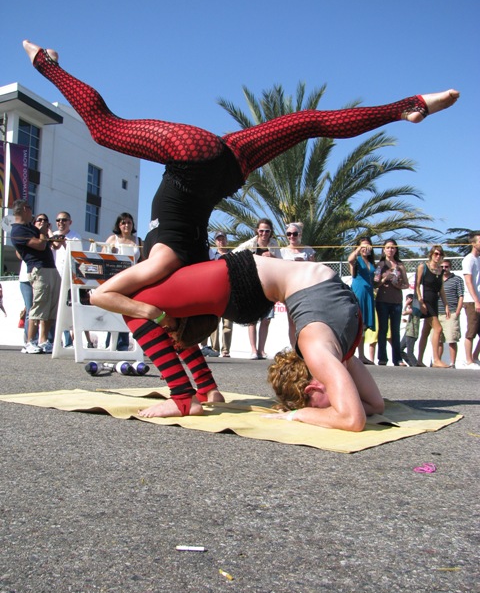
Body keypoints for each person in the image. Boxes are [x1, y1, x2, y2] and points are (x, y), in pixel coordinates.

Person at [23, 40, 459, 400]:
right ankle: (408, 106)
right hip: (208, 159)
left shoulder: (166, 266)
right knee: (107, 129)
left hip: (219, 165)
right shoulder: (171, 264)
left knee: (308, 124)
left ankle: (410, 106)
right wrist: (162, 320)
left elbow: (105, 297)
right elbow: (123, 304)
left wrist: (155, 316)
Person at [120, 253, 385, 431]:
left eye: (323, 405)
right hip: (276, 279)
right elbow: (372, 406)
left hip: (256, 277)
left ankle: (186, 395)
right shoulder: (329, 354)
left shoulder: (320, 353)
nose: (335, 403)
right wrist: (324, 411)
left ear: (312, 389)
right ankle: (197, 389)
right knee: (153, 304)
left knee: (144, 301)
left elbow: (350, 417)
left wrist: (297, 414)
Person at [10, 200, 61, 354]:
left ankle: (44, 341)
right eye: (31, 209)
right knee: (39, 305)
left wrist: (46, 234)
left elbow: (49, 244)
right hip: (39, 270)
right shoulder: (18, 230)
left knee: (51, 306)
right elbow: (39, 244)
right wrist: (43, 232)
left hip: (51, 268)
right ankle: (30, 342)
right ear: (25, 209)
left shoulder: (30, 228)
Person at [234, 219, 281, 359]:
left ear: (271, 232)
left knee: (266, 319)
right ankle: (253, 350)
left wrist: (272, 256)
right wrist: (250, 259)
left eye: (267, 231)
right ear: (257, 231)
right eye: (261, 231)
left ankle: (262, 349)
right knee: (252, 319)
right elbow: (235, 253)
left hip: (269, 285)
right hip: (253, 284)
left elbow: (282, 262)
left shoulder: (274, 245)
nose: (264, 233)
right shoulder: (250, 244)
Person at [103, 212, 143, 351]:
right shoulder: (112, 239)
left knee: (127, 310)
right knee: (114, 310)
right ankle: (111, 343)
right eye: (123, 223)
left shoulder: (139, 241)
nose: (126, 225)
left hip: (133, 280)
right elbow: (103, 257)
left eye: (129, 222)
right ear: (119, 226)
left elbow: (143, 261)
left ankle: (123, 344)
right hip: (115, 279)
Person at [50, 210, 88, 348]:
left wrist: (64, 243)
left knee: (68, 310)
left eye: (64, 220)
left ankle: (69, 341)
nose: (61, 222)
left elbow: (76, 255)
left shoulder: (75, 236)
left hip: (69, 279)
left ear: (70, 222)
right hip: (55, 276)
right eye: (58, 220)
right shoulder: (52, 235)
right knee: (54, 309)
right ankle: (53, 340)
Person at [374, 239, 409, 366]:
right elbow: (375, 283)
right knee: (383, 329)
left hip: (396, 301)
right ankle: (382, 358)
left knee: (395, 330)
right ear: (384, 249)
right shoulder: (380, 265)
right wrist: (384, 279)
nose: (390, 250)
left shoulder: (400, 265)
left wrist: (398, 284)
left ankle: (397, 359)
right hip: (382, 300)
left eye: (393, 247)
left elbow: (406, 284)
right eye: (388, 247)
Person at [415, 245, 451, 368]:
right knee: (438, 329)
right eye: (436, 254)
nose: (438, 256)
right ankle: (436, 359)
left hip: (435, 301)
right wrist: (420, 301)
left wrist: (446, 305)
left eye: (440, 254)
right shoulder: (423, 267)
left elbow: (441, 289)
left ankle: (419, 360)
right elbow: (417, 285)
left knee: (426, 331)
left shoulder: (440, 271)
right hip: (426, 301)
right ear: (431, 254)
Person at [280, 222, 315, 347]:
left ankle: (306, 347)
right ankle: (295, 349)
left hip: (306, 288)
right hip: (290, 289)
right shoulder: (282, 251)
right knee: (292, 321)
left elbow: (314, 269)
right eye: (289, 234)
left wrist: (304, 264)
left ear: (299, 234)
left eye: (294, 234)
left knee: (307, 321)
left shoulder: (308, 250)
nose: (291, 236)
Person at [205, 231, 234, 357]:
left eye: (223, 239)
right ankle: (215, 349)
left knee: (228, 323)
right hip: (216, 291)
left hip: (230, 292)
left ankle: (226, 349)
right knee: (215, 322)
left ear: (226, 240)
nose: (221, 241)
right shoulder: (213, 255)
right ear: (215, 241)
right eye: (218, 239)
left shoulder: (232, 255)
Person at [348, 236, 376, 364]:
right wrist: (359, 249)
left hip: (369, 293)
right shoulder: (357, 259)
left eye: (368, 246)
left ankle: (362, 355)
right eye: (363, 246)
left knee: (363, 326)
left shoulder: (370, 262)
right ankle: (350, 353)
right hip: (358, 292)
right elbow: (350, 259)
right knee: (356, 323)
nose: (366, 249)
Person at [437, 258, 464, 367]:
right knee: (438, 340)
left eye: (446, 267)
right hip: (438, 313)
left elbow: (461, 296)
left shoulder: (457, 279)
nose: (444, 269)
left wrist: (457, 312)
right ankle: (438, 361)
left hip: (451, 313)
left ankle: (452, 363)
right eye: (442, 267)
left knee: (452, 339)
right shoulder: (437, 280)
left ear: (450, 267)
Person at [461, 231, 480, 369]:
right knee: (471, 332)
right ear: (473, 243)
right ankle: (468, 361)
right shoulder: (468, 259)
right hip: (471, 300)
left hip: (478, 299)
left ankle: (474, 357)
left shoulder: (478, 259)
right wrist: (476, 300)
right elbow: (468, 282)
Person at [400, 294, 420, 366]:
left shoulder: (415, 309)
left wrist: (406, 304)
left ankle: (415, 365)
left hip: (412, 333)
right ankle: (411, 363)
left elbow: (403, 313)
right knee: (399, 349)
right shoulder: (412, 309)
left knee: (409, 352)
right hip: (408, 332)